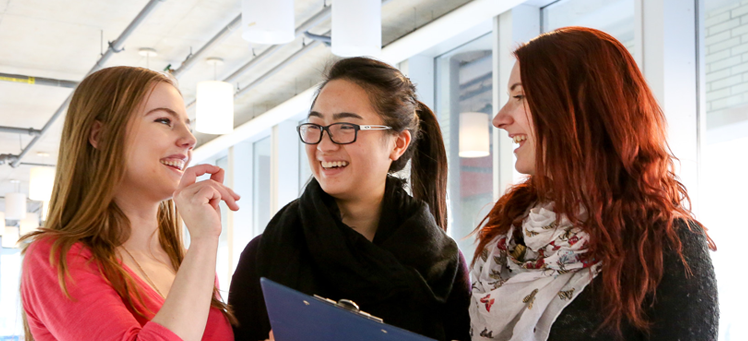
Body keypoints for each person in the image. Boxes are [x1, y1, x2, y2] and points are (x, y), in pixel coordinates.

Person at [469, 27, 718, 341]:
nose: (500, 118)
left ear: (579, 108)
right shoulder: (510, 224)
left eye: (520, 97)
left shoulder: (664, 242)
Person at [228, 57, 471, 341]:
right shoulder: (268, 250)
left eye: (346, 127)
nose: (324, 145)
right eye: (315, 127)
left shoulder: (441, 264)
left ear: (398, 143)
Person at [20, 66, 239, 341]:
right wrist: (205, 240)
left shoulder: (185, 260)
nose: (189, 140)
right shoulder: (55, 258)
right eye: (164, 121)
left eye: (187, 125)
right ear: (99, 136)